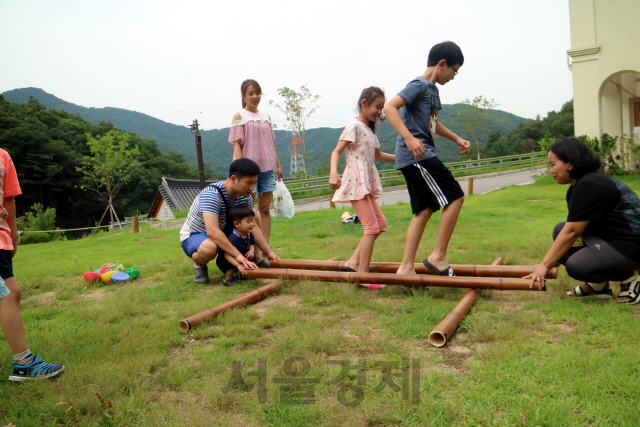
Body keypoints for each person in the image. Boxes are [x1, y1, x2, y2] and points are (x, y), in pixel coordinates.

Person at [383, 41, 471, 276]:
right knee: (455, 197)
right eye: (455, 69)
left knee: (424, 209)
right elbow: (390, 107)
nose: (454, 76)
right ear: (442, 64)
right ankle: (438, 257)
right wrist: (409, 138)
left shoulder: (433, 90)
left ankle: (406, 268)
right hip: (417, 156)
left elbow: (433, 123)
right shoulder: (419, 85)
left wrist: (456, 138)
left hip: (416, 156)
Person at [525, 138, 640, 303]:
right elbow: (577, 228)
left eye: (553, 164)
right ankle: (598, 286)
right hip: (613, 239)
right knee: (560, 230)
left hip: (631, 245)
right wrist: (553, 259)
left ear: (570, 164)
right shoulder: (580, 185)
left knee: (577, 266)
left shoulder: (590, 184)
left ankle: (631, 279)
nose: (551, 170)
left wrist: (545, 264)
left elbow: (572, 232)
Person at [0, 148, 65, 381]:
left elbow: (8, 199)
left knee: (8, 293)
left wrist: (12, 235)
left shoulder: (3, 157)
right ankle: (25, 364)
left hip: (0, 238)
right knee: (9, 294)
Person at [329, 87, 395, 290]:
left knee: (380, 224)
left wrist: (404, 158)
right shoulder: (354, 126)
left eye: (382, 108)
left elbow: (378, 155)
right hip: (355, 181)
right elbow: (337, 151)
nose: (379, 111)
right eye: (377, 106)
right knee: (371, 227)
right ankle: (363, 277)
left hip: (366, 182)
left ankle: (352, 263)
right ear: (364, 103)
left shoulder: (371, 130)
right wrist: (333, 172)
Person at [180, 158, 280, 284]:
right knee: (209, 248)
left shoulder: (245, 197)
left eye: (254, 183)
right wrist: (238, 256)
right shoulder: (211, 194)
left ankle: (257, 258)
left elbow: (250, 226)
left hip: (224, 230)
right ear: (233, 179)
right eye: (248, 183)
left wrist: (269, 253)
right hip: (197, 235)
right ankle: (199, 264)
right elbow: (212, 231)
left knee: (251, 216)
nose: (252, 188)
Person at [229, 79, 284, 259]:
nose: (255, 97)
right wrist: (240, 169)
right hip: (248, 171)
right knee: (249, 210)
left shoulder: (266, 117)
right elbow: (237, 145)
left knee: (265, 209)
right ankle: (253, 250)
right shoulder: (239, 116)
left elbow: (271, 144)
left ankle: (266, 249)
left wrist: (278, 165)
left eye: (257, 93)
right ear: (243, 96)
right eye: (250, 93)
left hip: (268, 168)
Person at [216, 206, 257, 286]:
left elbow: (252, 243)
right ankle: (228, 278)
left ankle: (247, 272)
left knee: (252, 255)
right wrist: (238, 265)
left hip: (242, 256)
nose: (252, 224)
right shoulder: (233, 237)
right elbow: (227, 254)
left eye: (252, 220)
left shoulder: (249, 234)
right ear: (237, 224)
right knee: (234, 261)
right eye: (248, 222)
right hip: (229, 260)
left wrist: (251, 251)